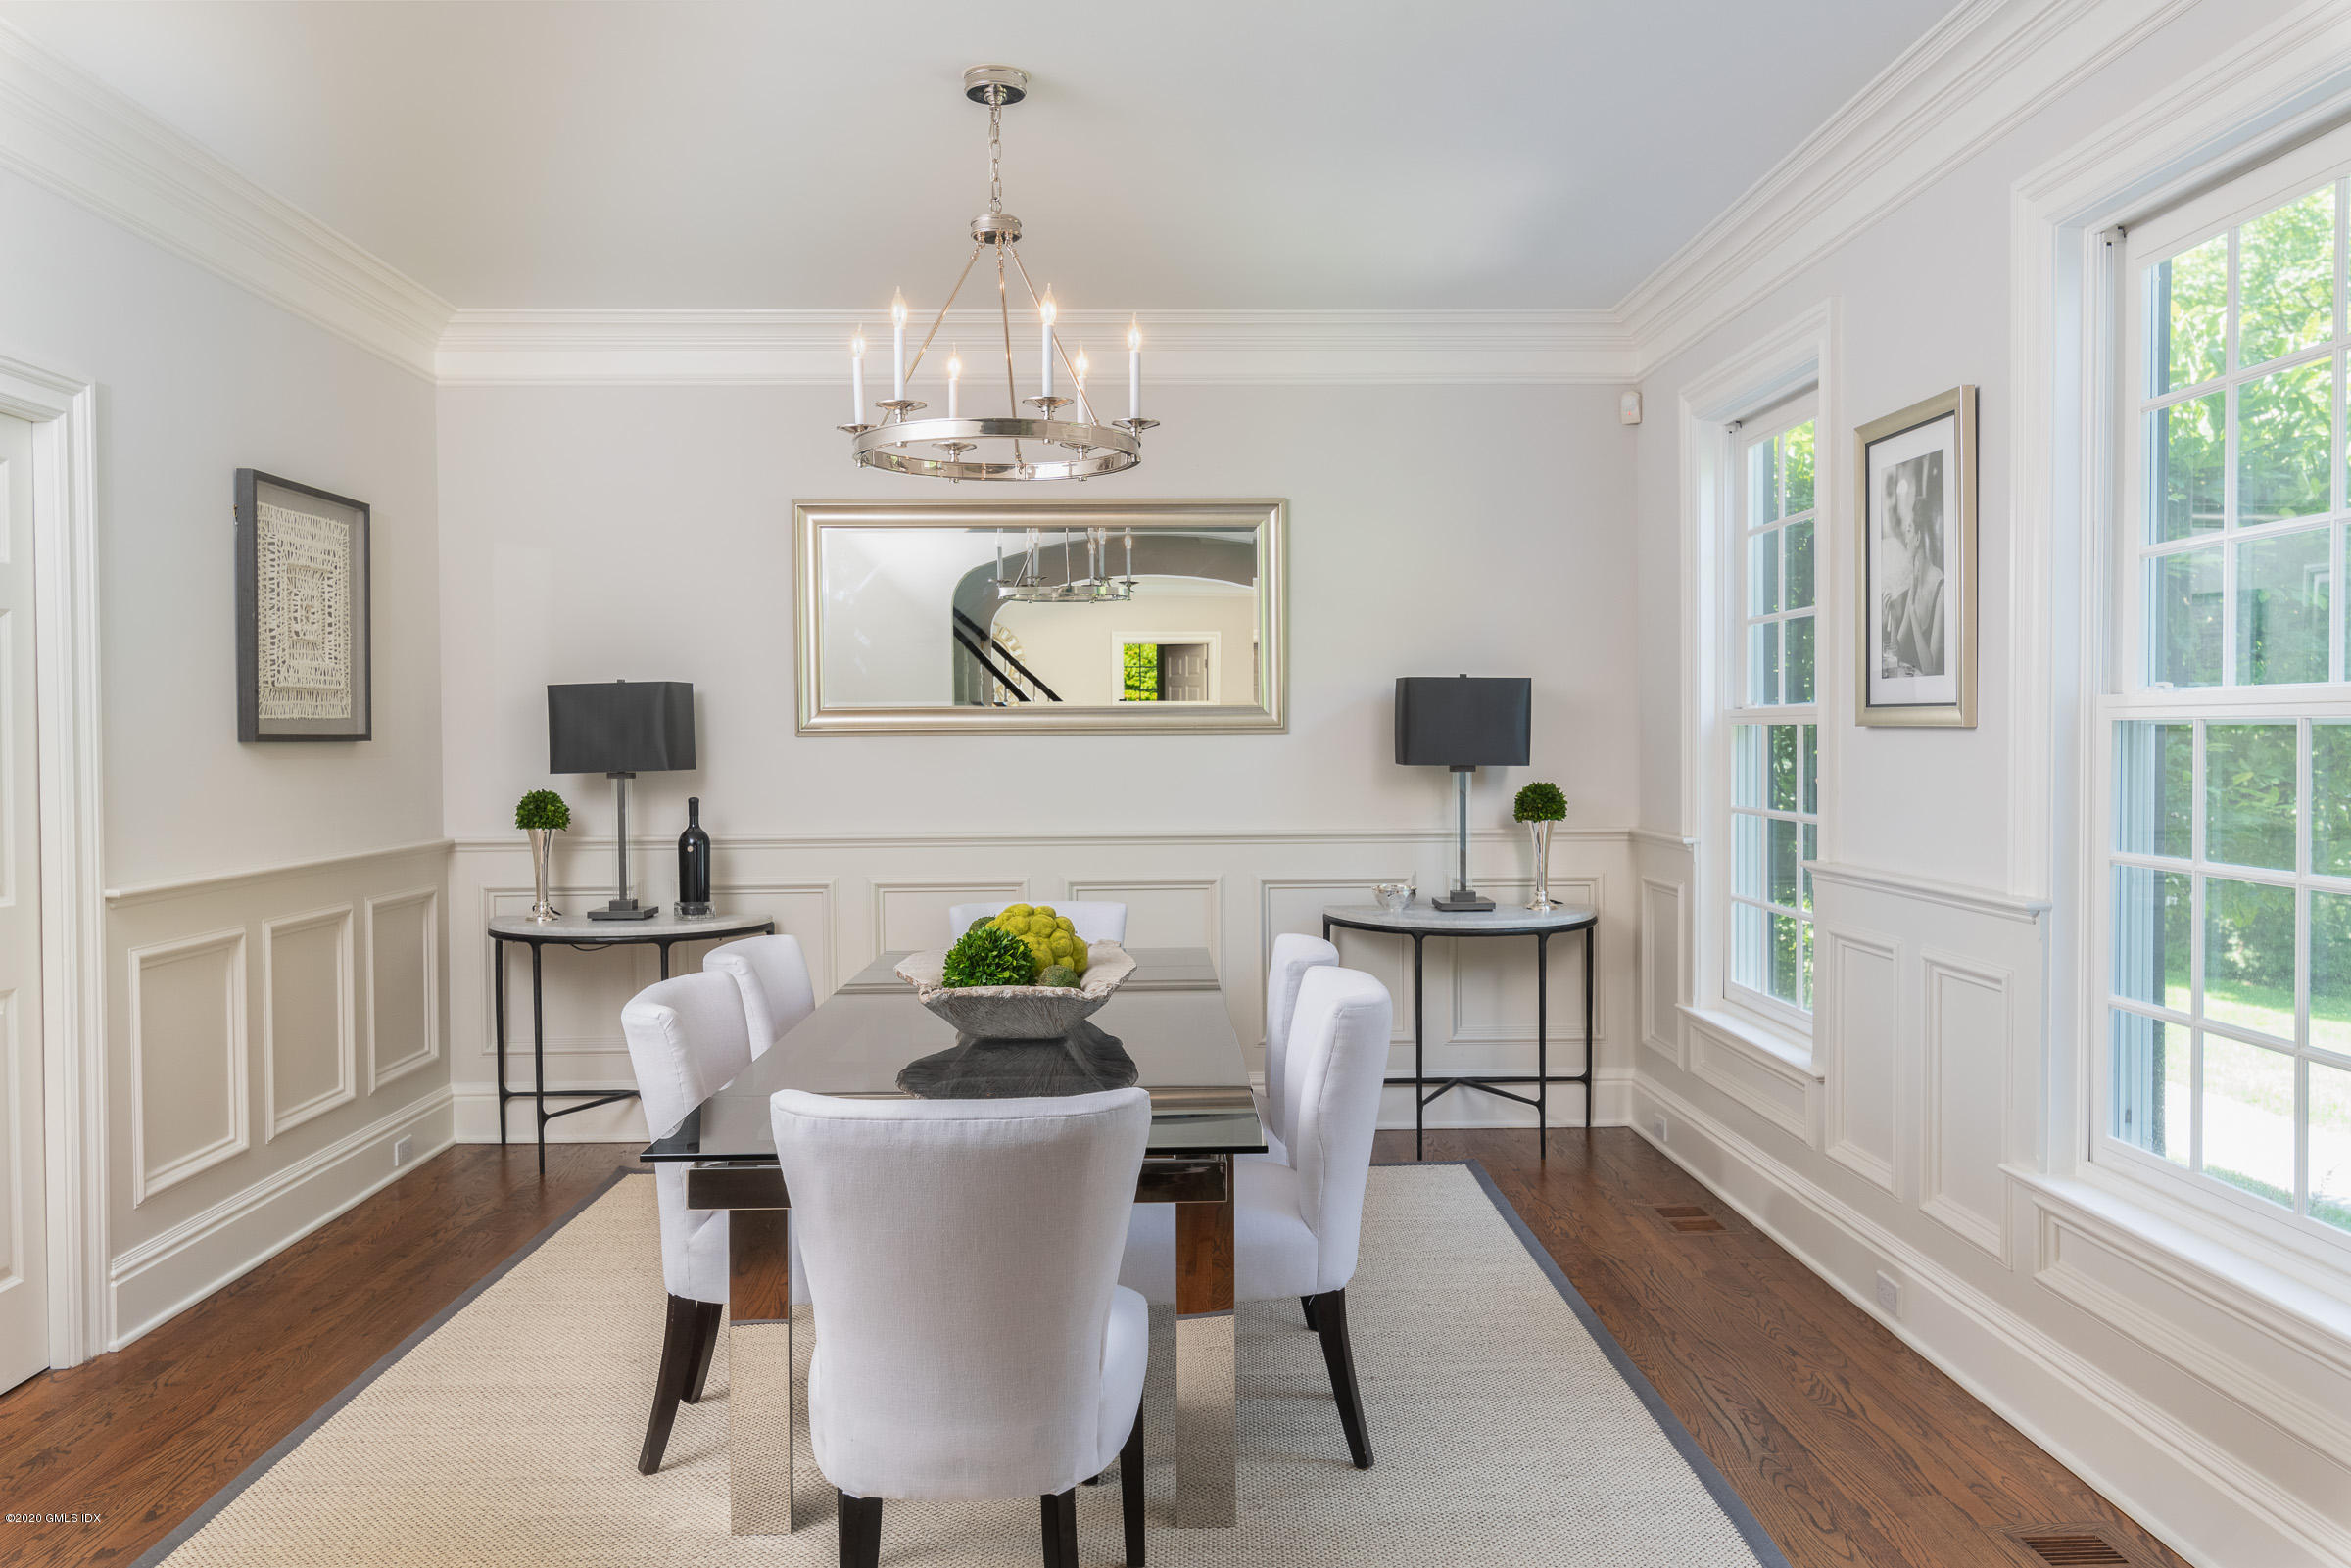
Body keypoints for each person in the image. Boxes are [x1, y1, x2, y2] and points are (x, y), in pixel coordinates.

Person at [1879, 458, 1944, 678]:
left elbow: (1930, 668)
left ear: (1917, 537)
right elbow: (1896, 651)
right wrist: (1894, 621)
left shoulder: (1941, 587)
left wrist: (1914, 616)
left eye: (1908, 530)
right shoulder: (1914, 581)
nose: (1904, 538)